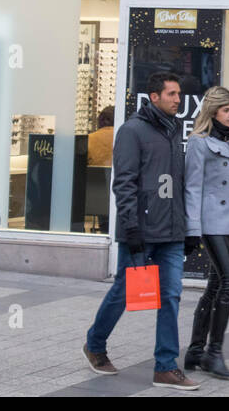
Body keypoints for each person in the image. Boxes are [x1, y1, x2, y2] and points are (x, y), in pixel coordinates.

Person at [83, 71, 197, 391]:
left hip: (171, 233)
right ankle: (95, 344)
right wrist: (131, 227)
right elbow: (125, 183)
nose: (178, 99)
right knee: (125, 292)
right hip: (143, 232)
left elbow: (178, 184)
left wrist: (186, 227)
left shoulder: (173, 131)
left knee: (171, 297)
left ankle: (165, 367)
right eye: (172, 94)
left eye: (179, 94)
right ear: (154, 97)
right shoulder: (132, 131)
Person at [182, 86, 229, 380]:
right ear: (213, 112)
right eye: (226, 110)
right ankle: (214, 352)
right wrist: (192, 228)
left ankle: (196, 350)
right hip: (211, 220)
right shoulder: (199, 143)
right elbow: (193, 187)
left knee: (214, 284)